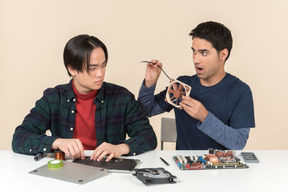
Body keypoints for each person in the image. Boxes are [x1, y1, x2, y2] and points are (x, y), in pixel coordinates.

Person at [12, 34, 157, 161]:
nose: (100, 73)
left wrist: (121, 148)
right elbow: (20, 137)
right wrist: (57, 142)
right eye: (92, 68)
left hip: (109, 171)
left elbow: (148, 136)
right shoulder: (53, 98)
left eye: (103, 65)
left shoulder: (122, 98)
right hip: (66, 170)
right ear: (72, 69)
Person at [138, 21, 255, 150]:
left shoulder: (240, 91)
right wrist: (149, 83)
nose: (196, 60)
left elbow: (238, 143)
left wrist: (204, 117)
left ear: (223, 55)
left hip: (221, 168)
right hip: (183, 167)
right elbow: (145, 111)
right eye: (194, 52)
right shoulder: (182, 84)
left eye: (204, 53)